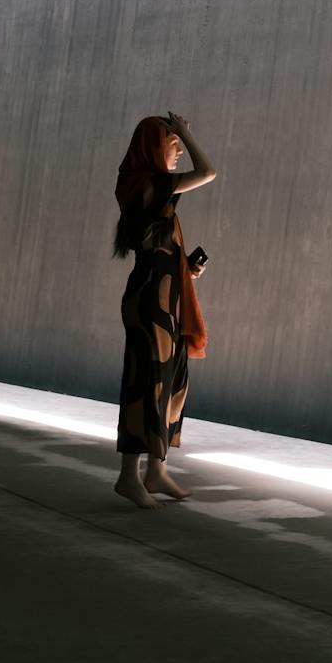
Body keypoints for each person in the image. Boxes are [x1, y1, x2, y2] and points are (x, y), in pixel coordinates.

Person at [111, 111, 216, 508]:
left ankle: (156, 471)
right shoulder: (146, 184)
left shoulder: (154, 188)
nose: (177, 153)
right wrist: (188, 133)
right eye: (172, 146)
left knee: (170, 382)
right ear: (153, 148)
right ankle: (128, 476)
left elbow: (158, 246)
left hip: (165, 296)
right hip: (150, 301)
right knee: (147, 382)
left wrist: (188, 268)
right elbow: (208, 171)